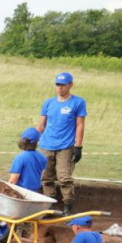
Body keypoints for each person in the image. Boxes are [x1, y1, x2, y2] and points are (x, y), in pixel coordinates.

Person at [37, 71, 87, 215]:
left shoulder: (78, 102)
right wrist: (32, 139)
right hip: (46, 145)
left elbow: (80, 125)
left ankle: (68, 208)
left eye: (63, 85)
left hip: (65, 146)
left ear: (70, 85)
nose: (60, 88)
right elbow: (41, 125)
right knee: (46, 177)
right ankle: (50, 206)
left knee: (64, 178)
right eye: (58, 85)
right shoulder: (48, 103)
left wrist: (78, 146)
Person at [7, 127, 47, 193]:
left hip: (21, 192)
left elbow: (13, 180)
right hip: (35, 192)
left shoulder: (20, 158)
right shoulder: (42, 157)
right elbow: (41, 175)